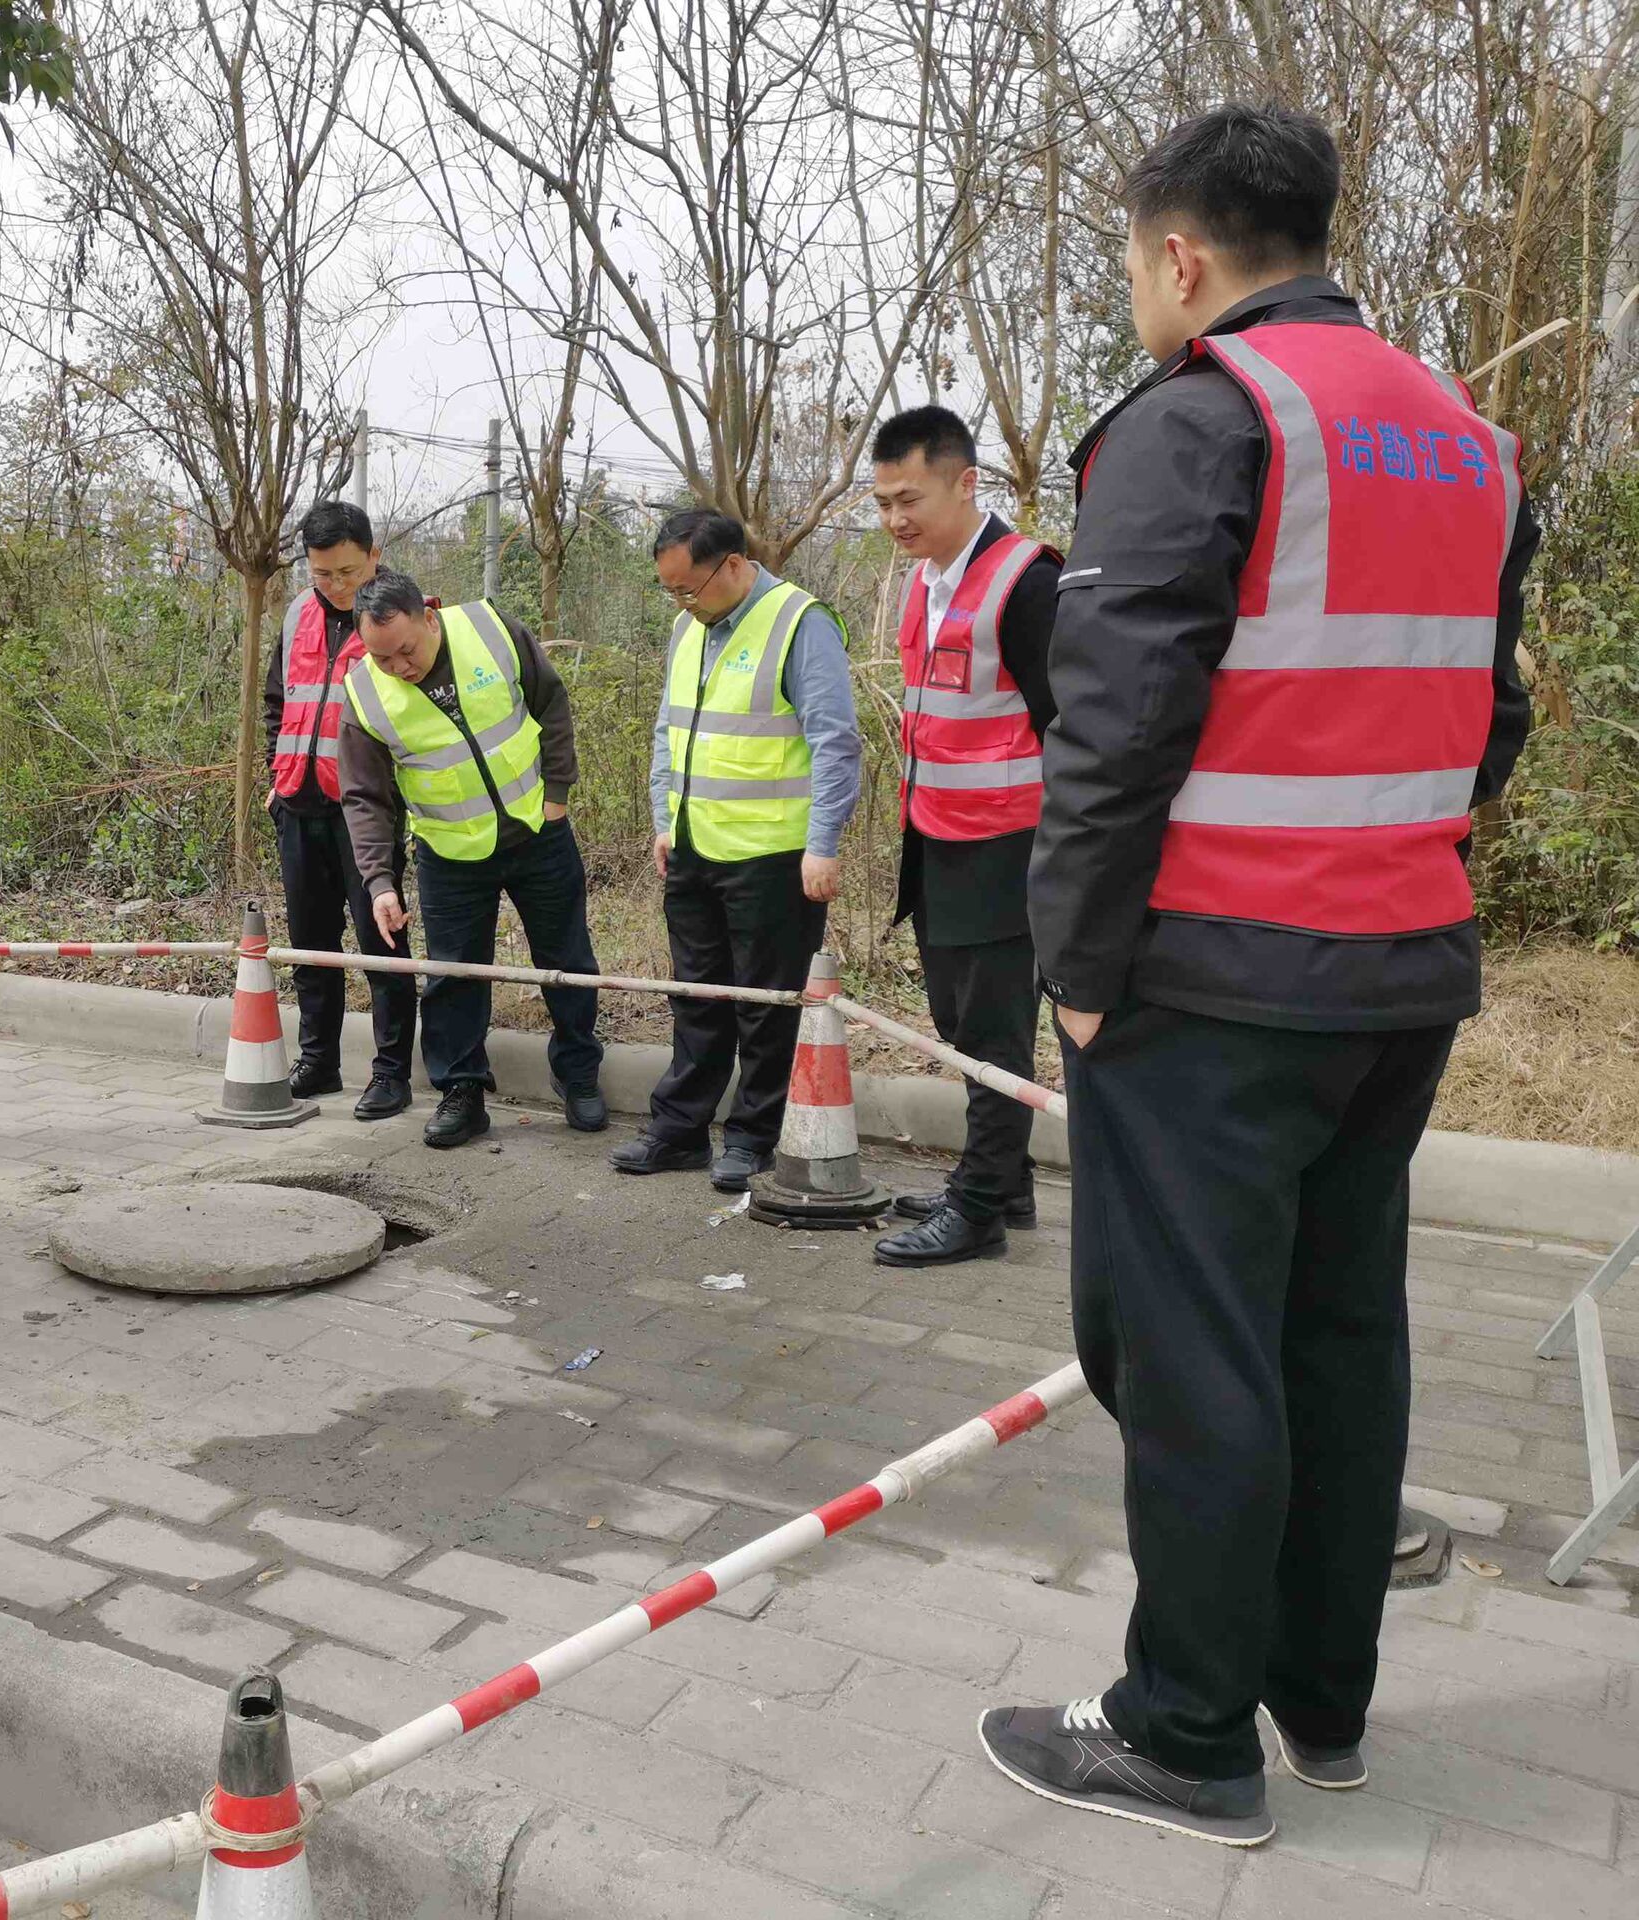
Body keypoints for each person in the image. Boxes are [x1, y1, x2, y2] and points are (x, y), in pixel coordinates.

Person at [976, 105, 1534, 1849]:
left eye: (1137, 268)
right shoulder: (1468, 442)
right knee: (1341, 1335)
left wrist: (1076, 966)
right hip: (1399, 972)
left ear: (1184, 259)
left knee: (1190, 1345)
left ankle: (1187, 1729)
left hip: (1213, 986)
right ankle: (1322, 1694)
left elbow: (1116, 717)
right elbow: (1485, 719)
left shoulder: (1207, 418)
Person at [608, 508, 860, 1194]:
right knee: (697, 999)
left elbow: (834, 742)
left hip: (773, 857)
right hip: (693, 849)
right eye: (671, 593)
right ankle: (680, 1128)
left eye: (690, 588)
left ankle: (753, 1135)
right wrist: (665, 818)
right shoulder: (687, 630)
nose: (682, 604)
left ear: (735, 564)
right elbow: (670, 728)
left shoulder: (798, 623)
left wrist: (823, 846)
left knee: (766, 1005)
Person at [868, 408, 1060, 1264]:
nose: (895, 519)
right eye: (881, 504)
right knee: (958, 1019)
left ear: (965, 482)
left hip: (1007, 848)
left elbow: (1072, 725)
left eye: (909, 498)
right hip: (937, 837)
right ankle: (1002, 1179)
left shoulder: (1027, 581)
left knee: (993, 1032)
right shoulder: (926, 580)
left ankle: (980, 1207)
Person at [338, 570, 605, 1149]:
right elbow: (365, 796)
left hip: (539, 829)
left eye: (406, 650)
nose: (399, 668)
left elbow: (551, 704)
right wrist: (380, 881)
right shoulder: (363, 693)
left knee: (567, 960)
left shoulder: (491, 629)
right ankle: (462, 1093)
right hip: (449, 853)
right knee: (452, 977)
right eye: (383, 658)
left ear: (428, 616)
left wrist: (557, 795)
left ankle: (579, 1074)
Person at [262, 501, 416, 1120]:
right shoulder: (300, 612)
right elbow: (277, 698)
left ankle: (391, 1072)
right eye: (321, 573)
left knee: (383, 944)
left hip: (367, 813)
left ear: (374, 556)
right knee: (311, 945)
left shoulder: (398, 620)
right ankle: (319, 1061)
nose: (334, 586)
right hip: (298, 801)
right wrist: (273, 777)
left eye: (347, 573)